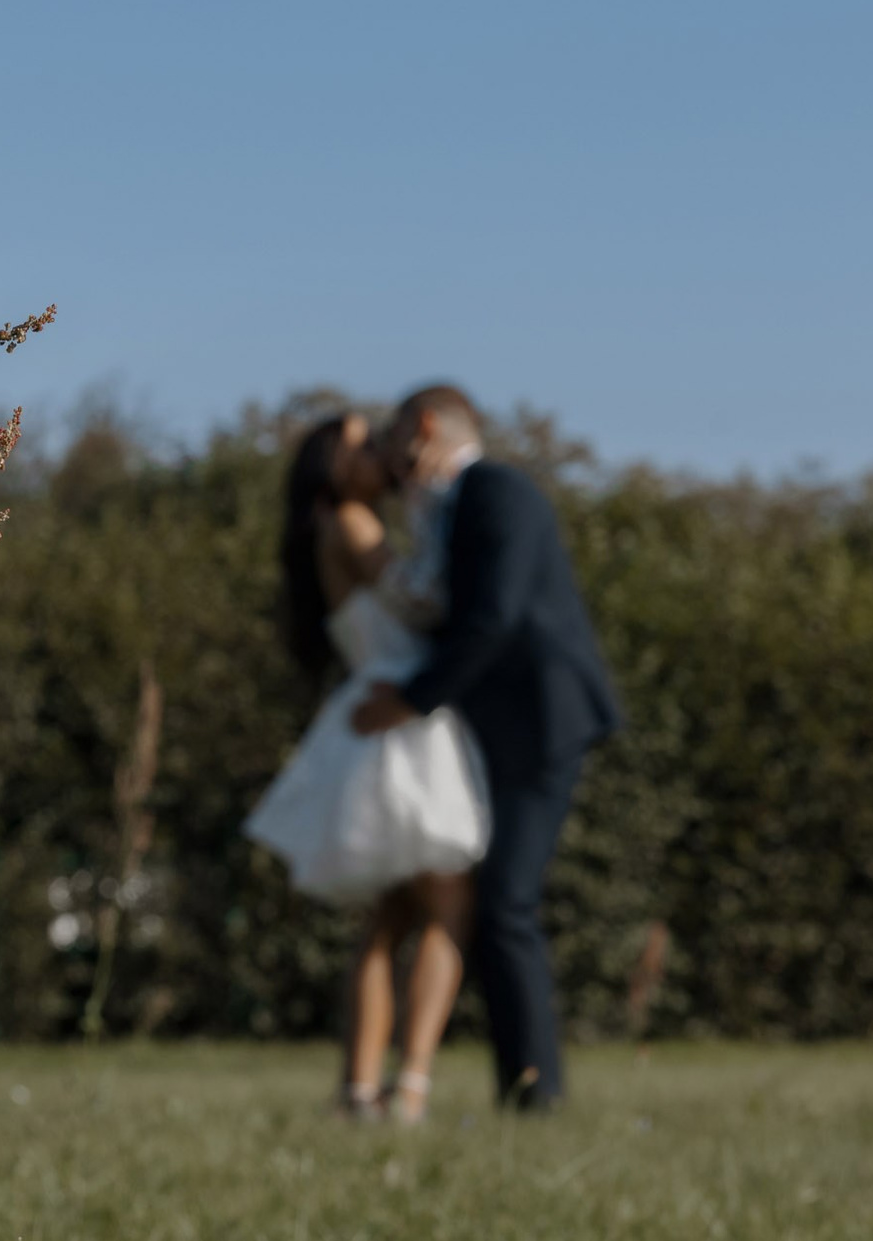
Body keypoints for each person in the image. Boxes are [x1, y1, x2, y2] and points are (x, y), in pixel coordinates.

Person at [351, 385, 620, 1110]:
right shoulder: (455, 506)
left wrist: (410, 700)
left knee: (505, 901)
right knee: (500, 902)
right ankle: (523, 1090)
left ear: (427, 426)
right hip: (506, 724)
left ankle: (536, 1094)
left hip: (542, 720)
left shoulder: (494, 489)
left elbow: (494, 616)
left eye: (396, 435)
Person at [243, 412, 491, 1123]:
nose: (380, 449)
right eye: (362, 442)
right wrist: (438, 502)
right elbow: (425, 597)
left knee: (391, 912)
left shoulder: (340, 522)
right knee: (446, 903)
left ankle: (360, 1088)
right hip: (400, 713)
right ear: (335, 464)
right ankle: (408, 1085)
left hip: (383, 708)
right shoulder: (353, 521)